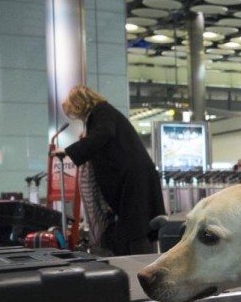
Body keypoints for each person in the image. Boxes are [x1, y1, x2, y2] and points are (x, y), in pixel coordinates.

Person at [55, 86, 165, 256]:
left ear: (80, 104)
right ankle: (138, 265)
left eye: (74, 112)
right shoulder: (105, 112)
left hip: (133, 180)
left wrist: (69, 151)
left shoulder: (101, 112)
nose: (76, 117)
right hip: (136, 178)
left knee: (135, 229)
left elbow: (103, 135)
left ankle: (138, 269)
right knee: (137, 227)